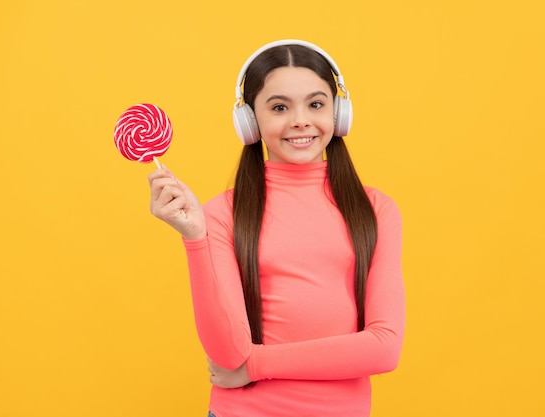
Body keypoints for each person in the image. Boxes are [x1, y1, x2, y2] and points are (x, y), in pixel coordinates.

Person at [148, 39, 405, 417]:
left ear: (339, 112)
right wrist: (195, 238)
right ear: (250, 121)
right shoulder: (222, 213)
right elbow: (226, 354)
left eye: (316, 104)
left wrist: (256, 366)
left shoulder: (375, 210)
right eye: (280, 107)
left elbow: (384, 347)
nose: (300, 119)